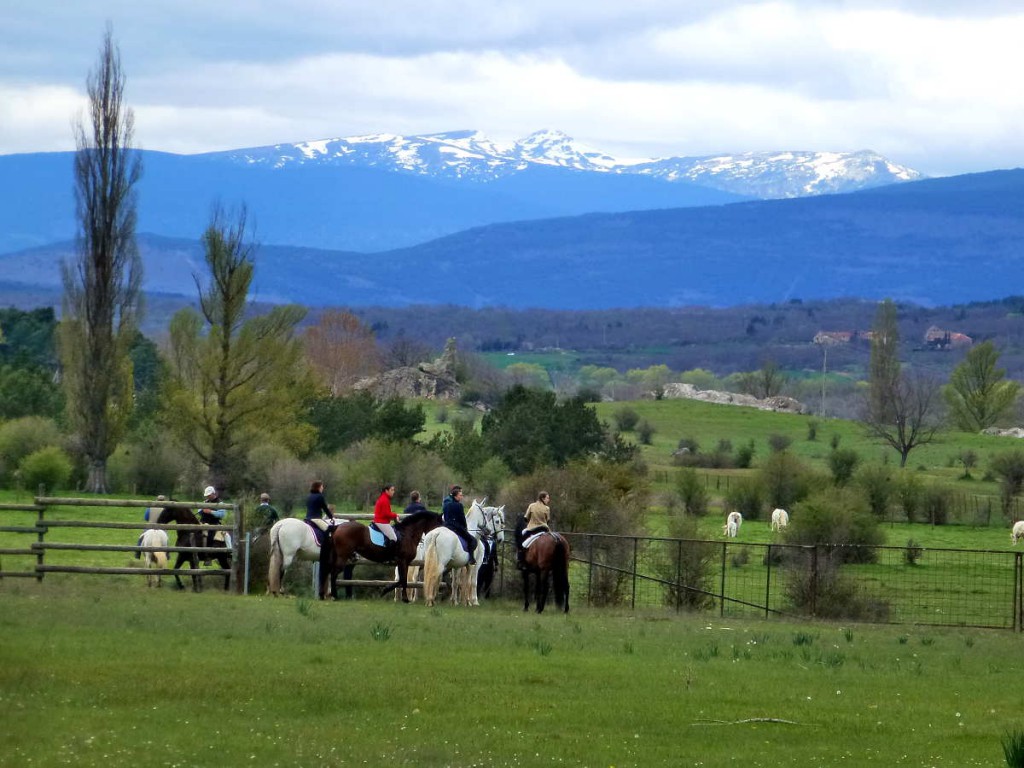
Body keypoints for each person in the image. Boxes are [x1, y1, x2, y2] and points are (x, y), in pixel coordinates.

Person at [442, 485, 476, 565]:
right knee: (472, 540)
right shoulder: (459, 505)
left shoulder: (446, 504)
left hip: (446, 525)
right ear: (456, 496)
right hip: (456, 527)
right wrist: (465, 528)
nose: (462, 497)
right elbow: (462, 519)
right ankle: (471, 558)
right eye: (460, 495)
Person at [518, 491, 552, 569]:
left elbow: (526, 518)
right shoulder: (547, 508)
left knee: (522, 544)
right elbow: (548, 520)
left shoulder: (531, 506)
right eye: (547, 498)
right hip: (544, 529)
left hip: (532, 529)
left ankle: (521, 561)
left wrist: (532, 521)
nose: (548, 500)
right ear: (542, 498)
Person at [199, 485, 226, 565]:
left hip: (213, 523)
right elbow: (199, 510)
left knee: (210, 536)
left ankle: (208, 555)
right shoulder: (205, 502)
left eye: (209, 495)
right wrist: (202, 510)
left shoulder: (220, 503)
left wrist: (210, 512)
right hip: (203, 522)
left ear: (213, 494)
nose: (207, 497)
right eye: (207, 495)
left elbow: (221, 514)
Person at [135, 494, 167, 559]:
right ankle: (167, 554)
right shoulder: (166, 509)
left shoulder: (150, 507)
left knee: (140, 538)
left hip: (150, 527)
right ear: (164, 501)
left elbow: (146, 518)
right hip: (161, 528)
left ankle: (137, 553)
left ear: (157, 500)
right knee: (166, 539)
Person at [373, 484, 399, 550]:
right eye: (392, 490)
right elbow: (386, 514)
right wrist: (395, 515)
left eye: (393, 490)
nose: (393, 492)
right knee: (394, 538)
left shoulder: (383, 498)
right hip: (382, 522)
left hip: (380, 521)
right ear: (386, 491)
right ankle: (388, 556)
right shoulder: (385, 500)